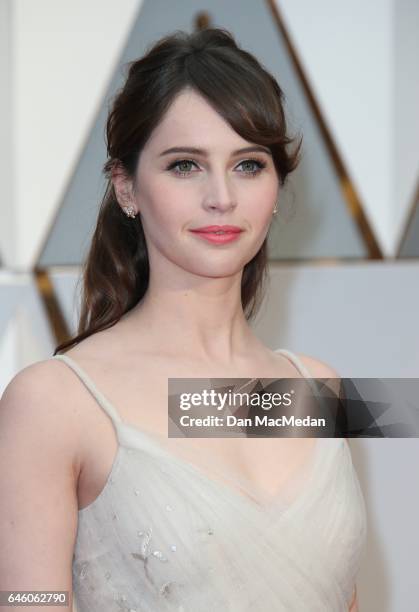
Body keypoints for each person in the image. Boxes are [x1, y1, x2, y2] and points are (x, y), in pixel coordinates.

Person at [0, 28, 366, 611]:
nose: (221, 196)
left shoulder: (316, 390)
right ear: (126, 187)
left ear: (275, 187)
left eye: (248, 165)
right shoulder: (52, 402)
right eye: (185, 166)